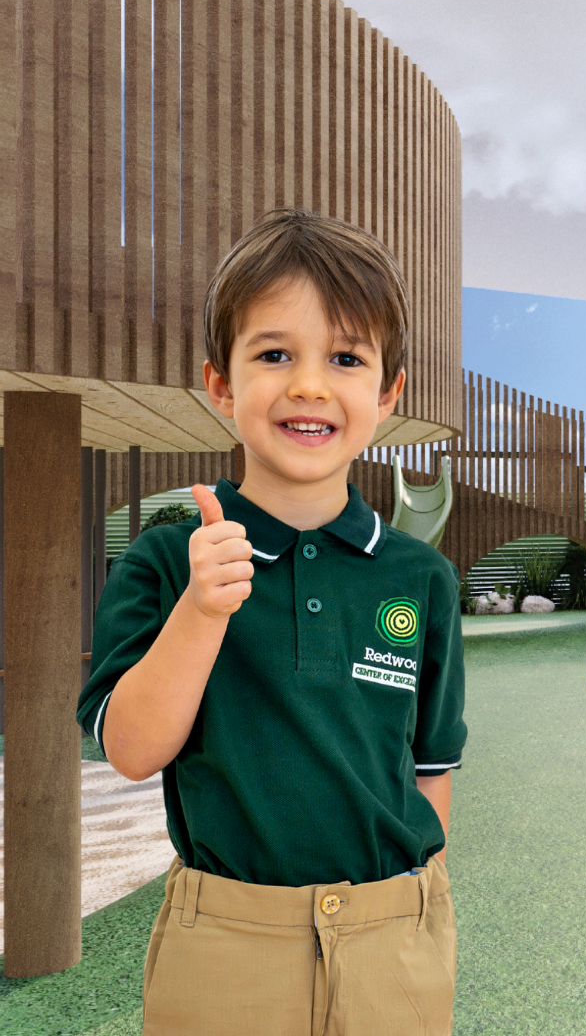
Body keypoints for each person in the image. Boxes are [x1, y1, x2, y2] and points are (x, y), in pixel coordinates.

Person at [77, 208, 466, 1036]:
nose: (309, 385)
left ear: (386, 392)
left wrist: (414, 903)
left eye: (347, 358)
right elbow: (133, 751)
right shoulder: (164, 561)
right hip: (225, 944)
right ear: (221, 384)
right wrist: (202, 608)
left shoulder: (422, 578)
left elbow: (431, 769)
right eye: (275, 354)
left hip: (395, 933)